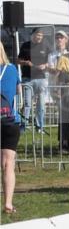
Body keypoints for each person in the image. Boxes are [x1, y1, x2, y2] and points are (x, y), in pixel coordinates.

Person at [1, 42, 22, 215]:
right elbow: (18, 91)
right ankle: (8, 203)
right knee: (8, 163)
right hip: (9, 119)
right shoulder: (12, 69)